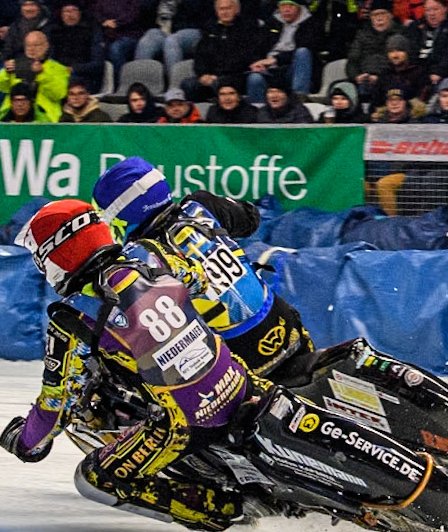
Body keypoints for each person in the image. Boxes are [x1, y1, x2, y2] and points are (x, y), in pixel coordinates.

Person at [0, 200, 269, 532]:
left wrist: (26, 443)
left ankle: (224, 507)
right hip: (238, 379)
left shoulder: (72, 319)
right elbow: (198, 280)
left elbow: (56, 405)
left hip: (187, 423)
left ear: (59, 253)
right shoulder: (149, 255)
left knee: (94, 478)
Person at [93, 156, 314, 378]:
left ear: (121, 215)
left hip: (235, 356)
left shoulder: (140, 257)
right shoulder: (200, 204)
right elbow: (250, 219)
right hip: (282, 321)